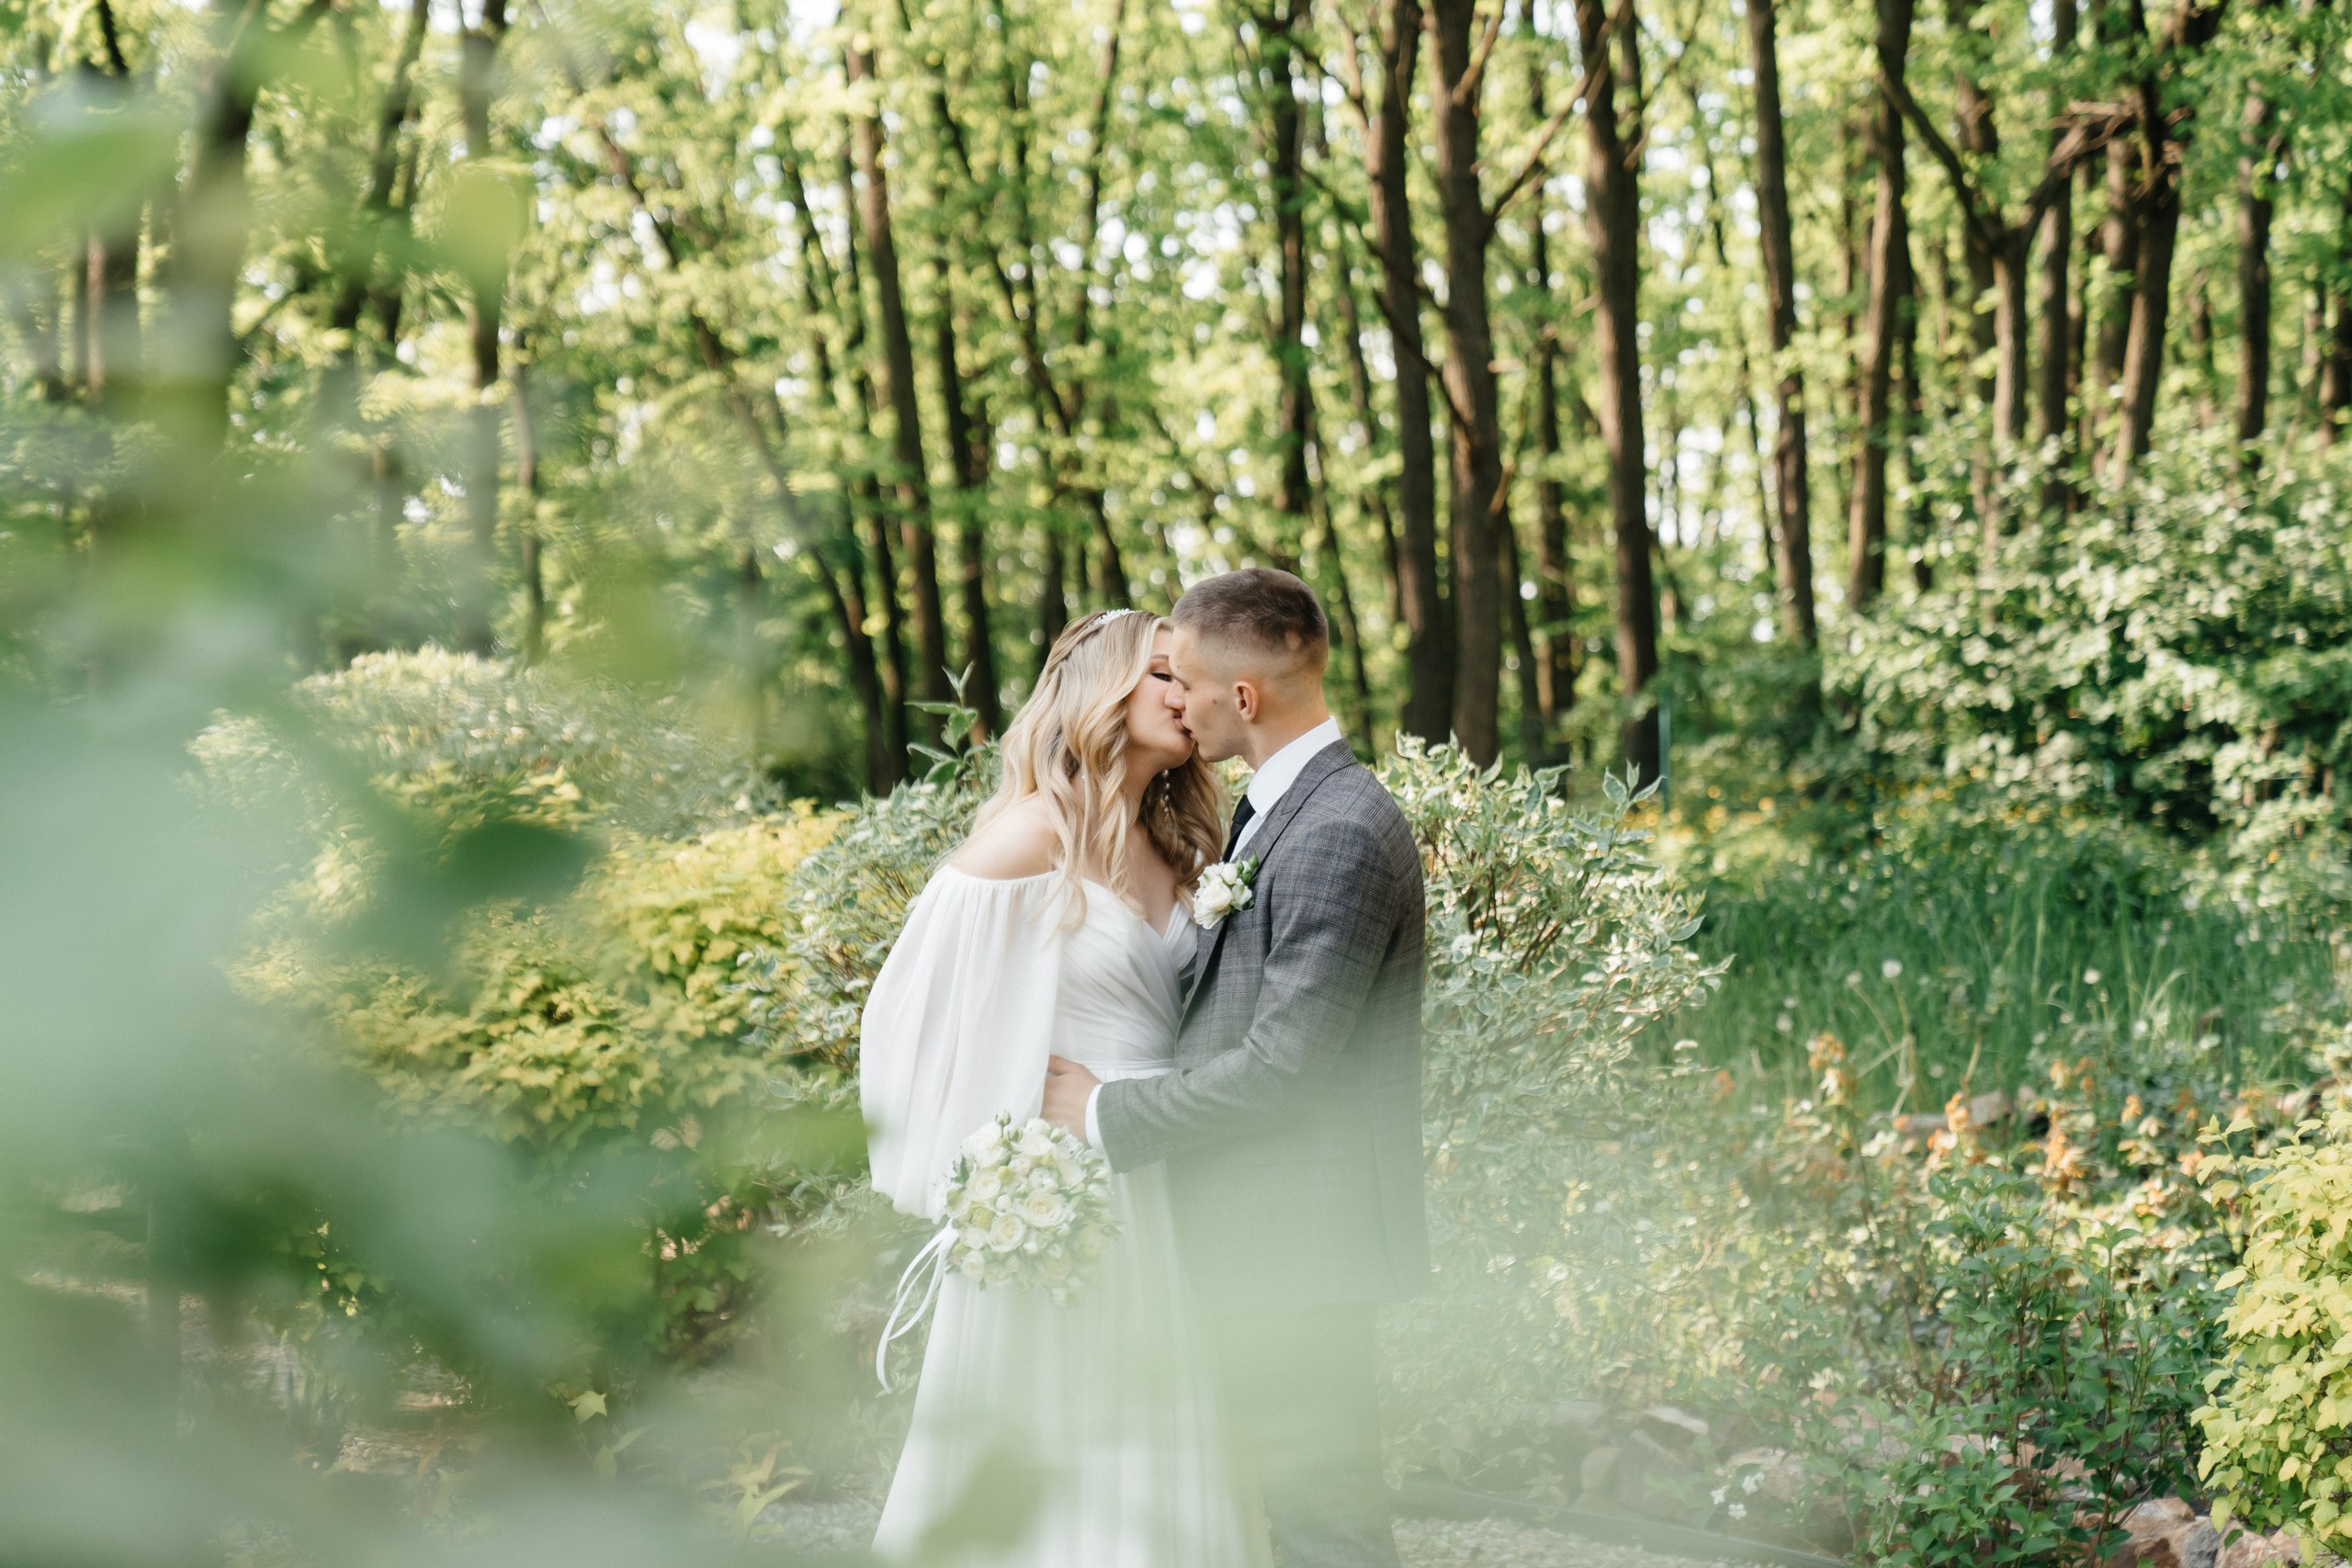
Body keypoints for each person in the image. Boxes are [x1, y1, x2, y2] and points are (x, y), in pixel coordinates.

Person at [859, 607, 1272, 1567]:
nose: (1189, 695)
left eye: (1195, 679)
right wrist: (989, 1161)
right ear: (1104, 690)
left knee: (1163, 1420)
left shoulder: (1185, 848)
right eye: (1166, 674)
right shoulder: (1029, 835)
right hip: (1063, 1189)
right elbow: (910, 1013)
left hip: (1165, 1163)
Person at [1043, 568, 1430, 1568]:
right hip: (1266, 1233)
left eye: (1188, 681)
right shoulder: (1277, 812)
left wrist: (1105, 1111)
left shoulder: (1339, 826)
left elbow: (1284, 1067)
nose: (1179, 700)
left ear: (1243, 699)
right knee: (1290, 1509)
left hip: (1302, 1241)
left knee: (1324, 1520)